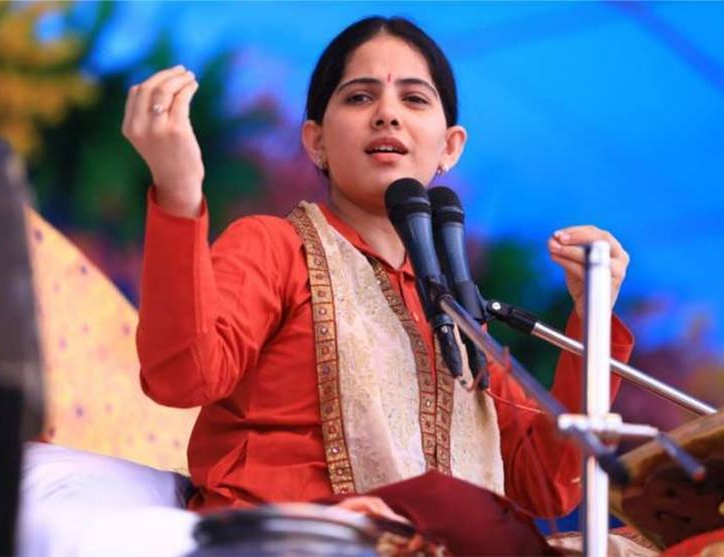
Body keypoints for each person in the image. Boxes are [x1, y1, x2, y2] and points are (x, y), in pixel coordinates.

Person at [123, 15, 634, 526]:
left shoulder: (456, 313)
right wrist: (178, 192)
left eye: (413, 99)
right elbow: (182, 377)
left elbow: (546, 480)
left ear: (450, 146)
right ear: (316, 142)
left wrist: (593, 315)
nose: (387, 114)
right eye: (360, 97)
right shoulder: (275, 247)